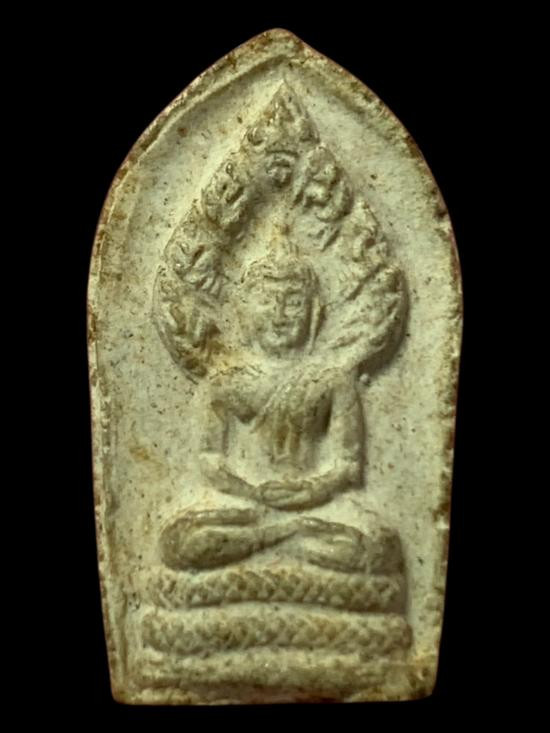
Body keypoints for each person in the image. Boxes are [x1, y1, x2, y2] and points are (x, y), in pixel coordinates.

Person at [159, 246, 400, 575]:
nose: (280, 314)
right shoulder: (226, 382)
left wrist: (311, 490)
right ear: (244, 311)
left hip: (318, 507)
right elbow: (211, 460)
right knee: (179, 543)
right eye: (267, 300)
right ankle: (287, 539)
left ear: (314, 313)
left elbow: (347, 466)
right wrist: (251, 492)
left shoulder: (332, 381)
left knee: (379, 547)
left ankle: (272, 544)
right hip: (244, 508)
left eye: (294, 302)